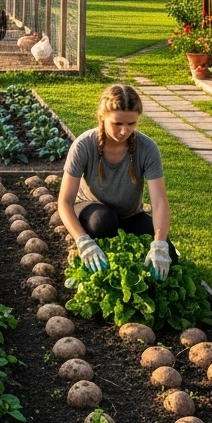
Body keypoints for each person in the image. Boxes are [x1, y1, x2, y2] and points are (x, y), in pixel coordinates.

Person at [57, 83, 174, 280]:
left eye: (131, 124)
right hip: (91, 210)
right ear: (103, 118)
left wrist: (160, 245)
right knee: (104, 221)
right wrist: (83, 241)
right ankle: (94, 247)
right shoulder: (84, 145)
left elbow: (160, 203)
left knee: (168, 252)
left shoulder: (147, 148)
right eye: (118, 123)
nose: (124, 130)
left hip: (129, 214)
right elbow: (64, 202)